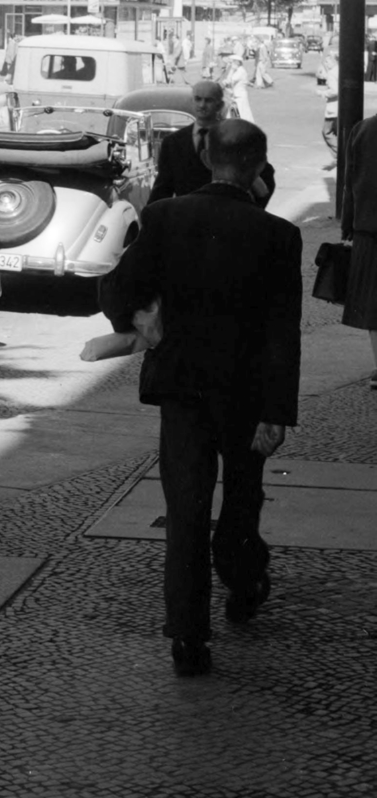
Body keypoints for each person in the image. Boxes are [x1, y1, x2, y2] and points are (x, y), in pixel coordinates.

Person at [99, 119, 301, 677]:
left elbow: (117, 287)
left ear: (208, 158)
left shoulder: (165, 217)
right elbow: (283, 333)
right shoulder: (279, 235)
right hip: (246, 396)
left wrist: (135, 319)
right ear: (258, 168)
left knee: (185, 511)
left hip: (182, 390)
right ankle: (242, 584)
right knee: (241, 501)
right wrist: (277, 412)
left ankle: (188, 637)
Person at [150, 80, 275, 208]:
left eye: (208, 100)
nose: (202, 105)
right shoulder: (173, 142)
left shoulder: (237, 135)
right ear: (191, 102)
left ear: (219, 105)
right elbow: (162, 190)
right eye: (198, 99)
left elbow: (264, 176)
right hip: (187, 220)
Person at [337, 111, 377, 390]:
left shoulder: (362, 129)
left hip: (368, 227)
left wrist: (348, 224)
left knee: (374, 301)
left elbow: (349, 180)